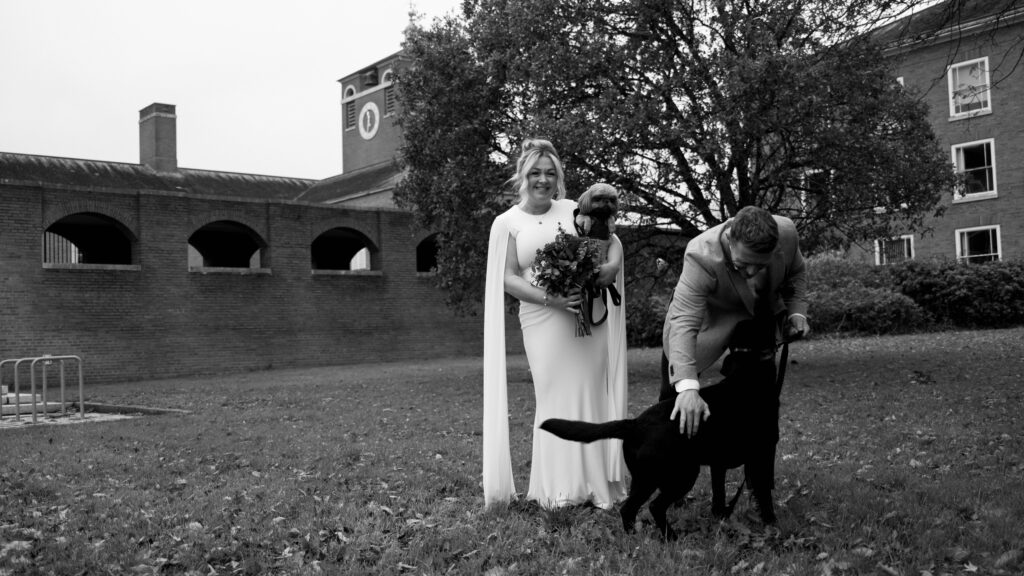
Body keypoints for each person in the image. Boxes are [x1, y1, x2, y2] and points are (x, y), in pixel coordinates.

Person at [482, 139, 628, 509]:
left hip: (586, 316)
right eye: (535, 173)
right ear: (522, 176)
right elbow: (508, 277)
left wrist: (609, 269)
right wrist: (552, 298)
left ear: (559, 177)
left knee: (591, 392)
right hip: (542, 318)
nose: (543, 180)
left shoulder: (573, 209)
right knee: (553, 396)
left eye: (550, 173)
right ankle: (559, 490)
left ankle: (598, 486)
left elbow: (611, 240)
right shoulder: (507, 223)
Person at [660, 205, 809, 521]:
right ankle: (669, 485)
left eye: (760, 266)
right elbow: (685, 321)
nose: (752, 274)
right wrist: (687, 386)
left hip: (758, 328)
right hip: (706, 326)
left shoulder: (787, 234)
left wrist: (796, 311)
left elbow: (796, 273)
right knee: (671, 406)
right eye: (743, 265)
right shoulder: (700, 255)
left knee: (762, 416)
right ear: (729, 239)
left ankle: (760, 489)